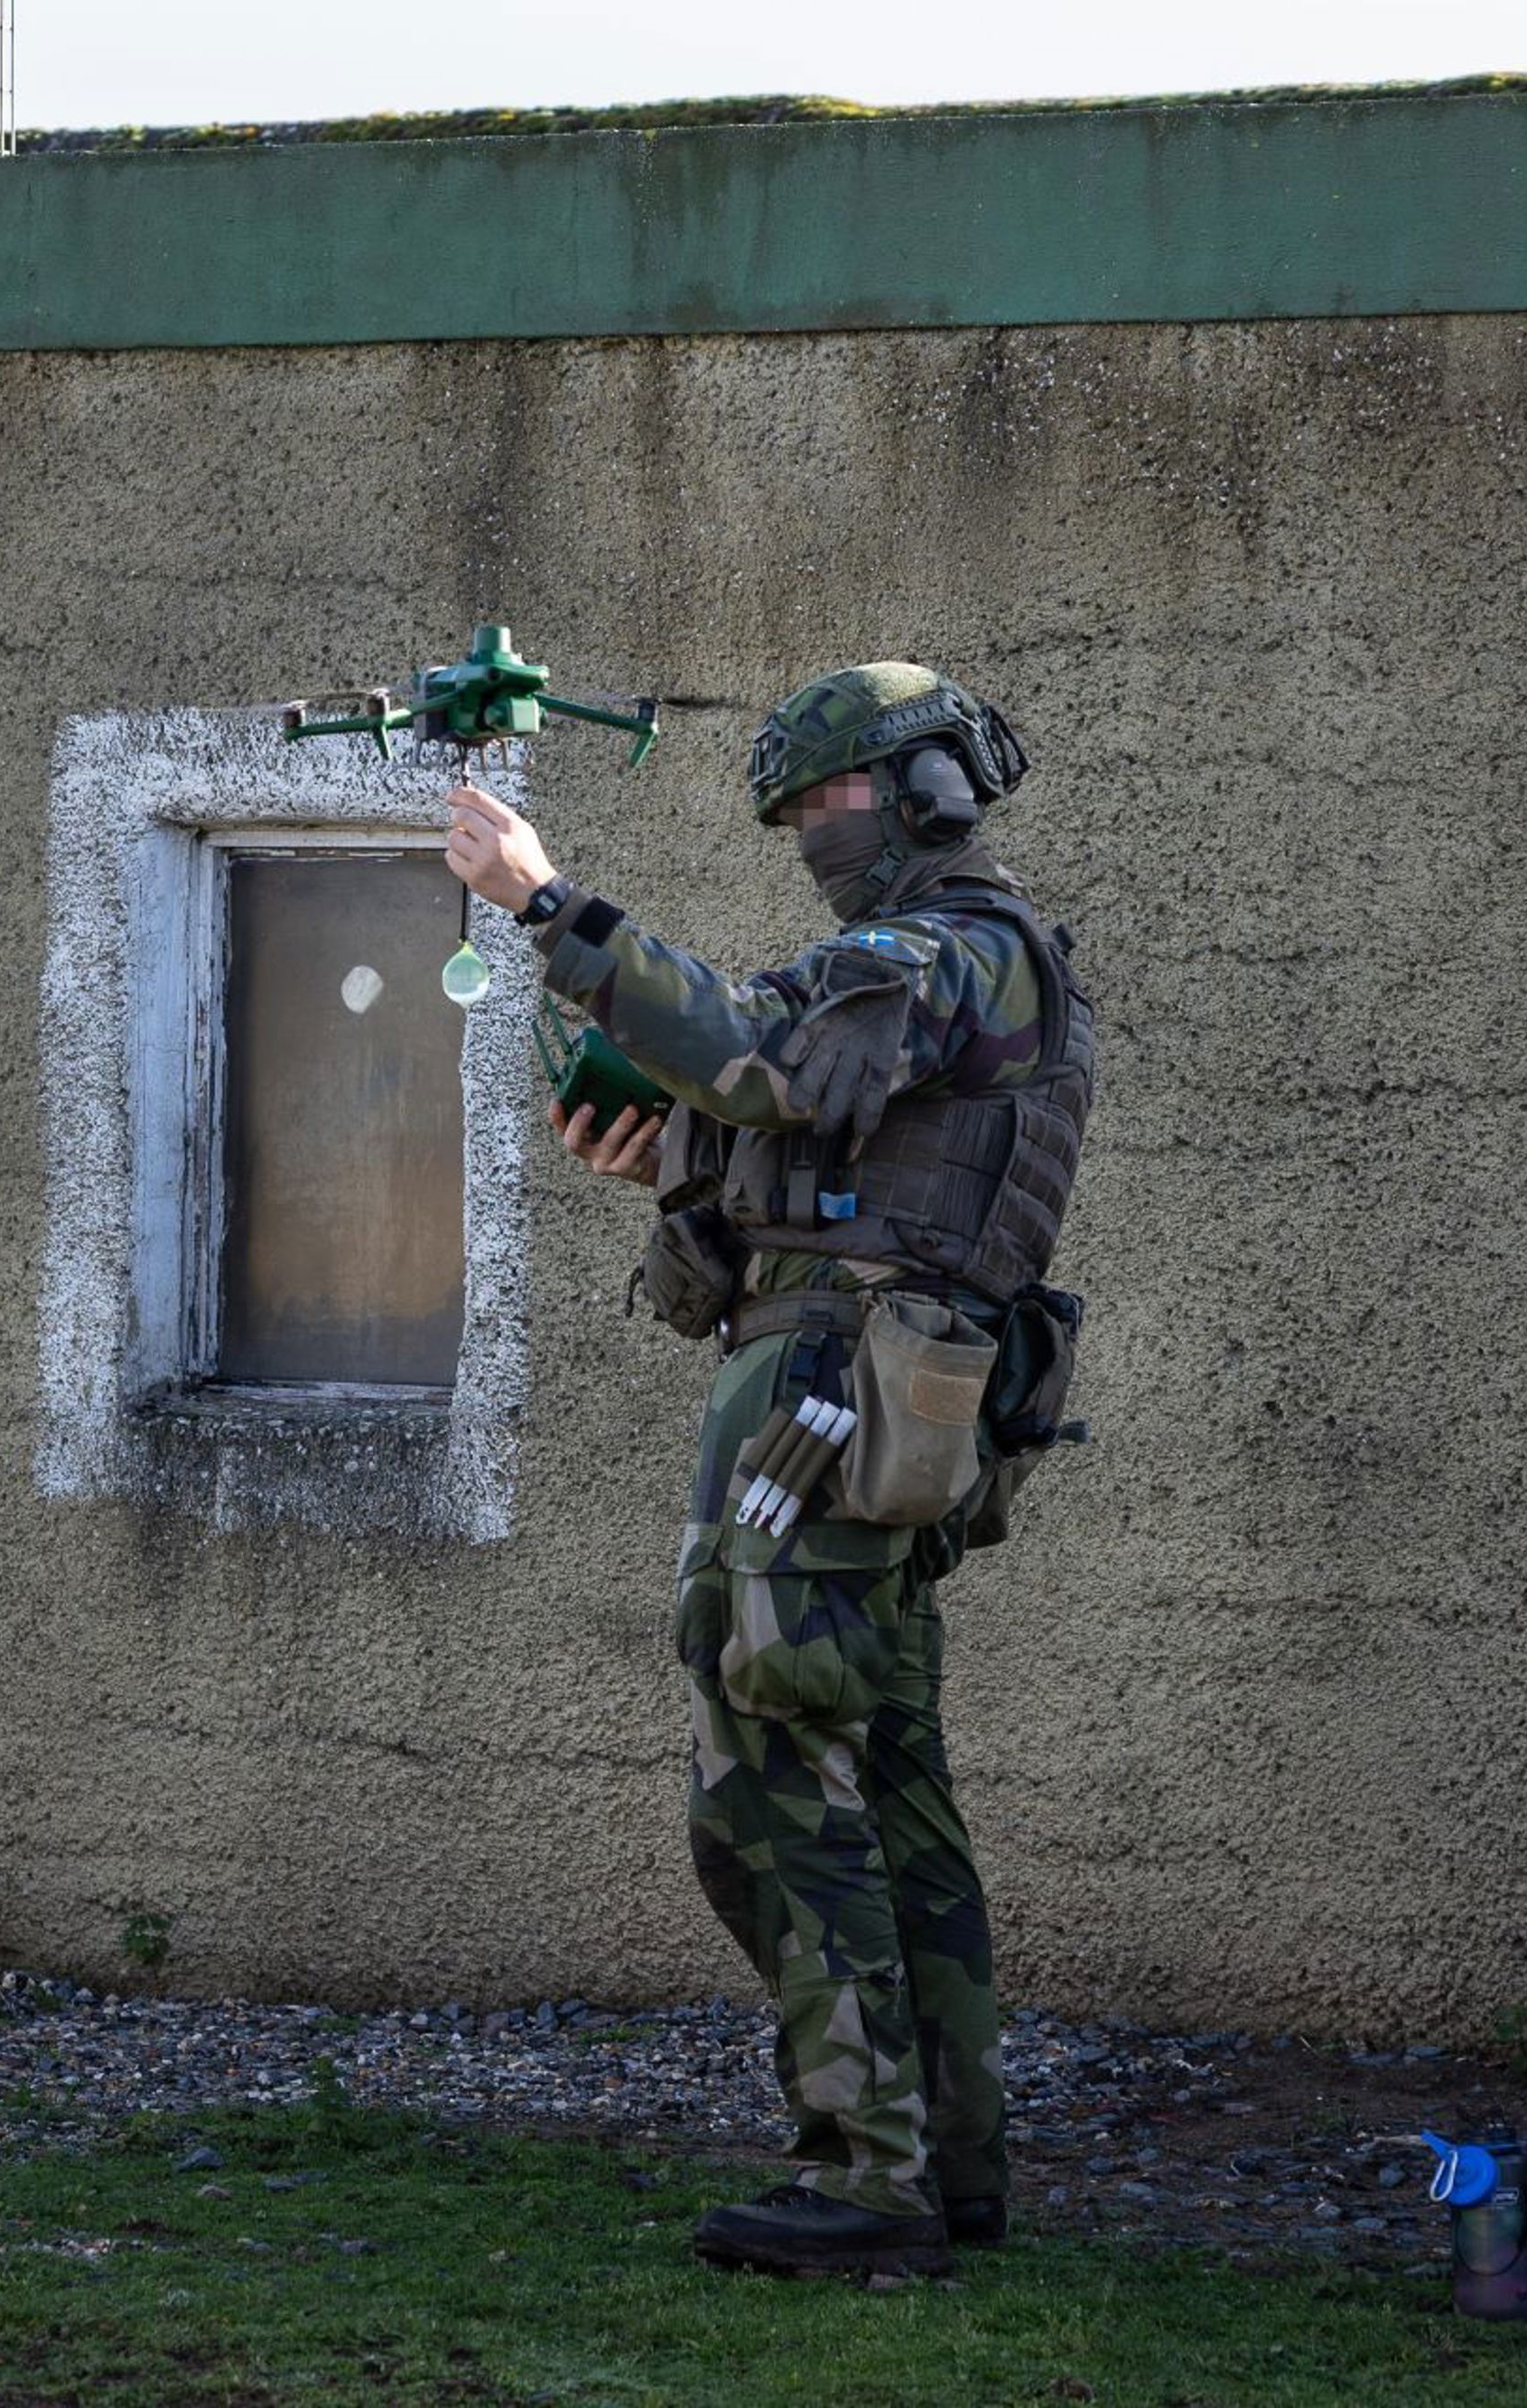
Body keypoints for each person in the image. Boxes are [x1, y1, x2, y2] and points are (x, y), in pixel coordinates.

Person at [442, 663, 1096, 2280]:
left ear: (935, 788)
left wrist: (549, 908)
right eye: (794, 809)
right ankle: (944, 2171)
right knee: (880, 1778)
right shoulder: (903, 965)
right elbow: (795, 1145)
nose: (814, 829)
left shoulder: (957, 949)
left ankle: (869, 2178)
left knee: (769, 1779)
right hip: (836, 1388)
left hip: (841, 1406)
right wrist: (660, 1150)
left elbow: (771, 1062)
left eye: (833, 797)